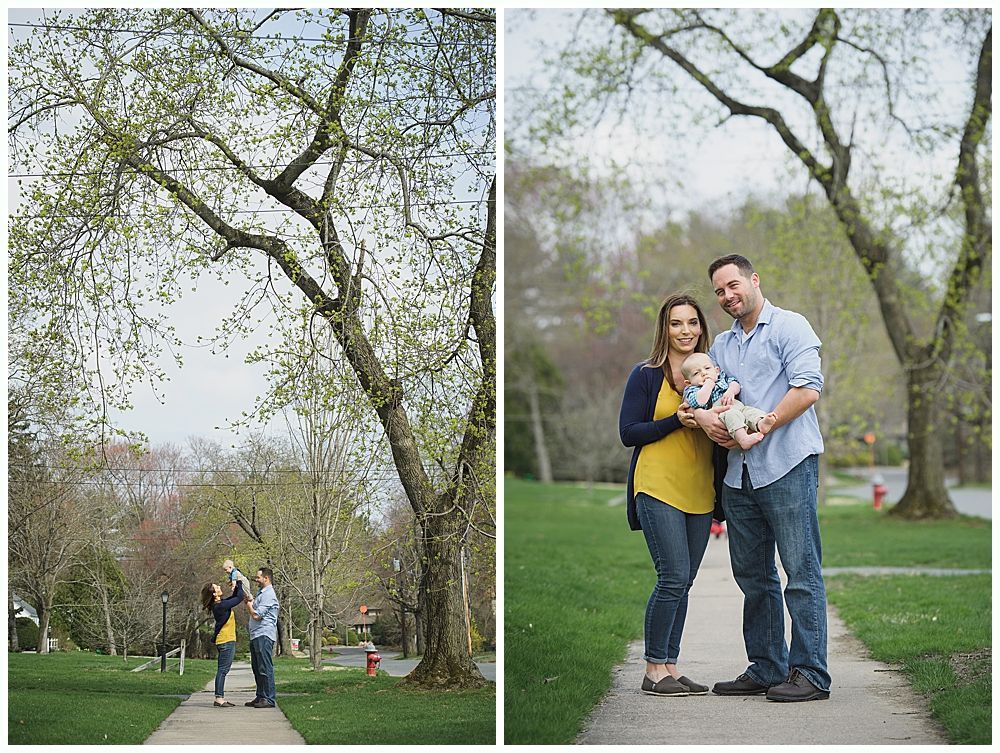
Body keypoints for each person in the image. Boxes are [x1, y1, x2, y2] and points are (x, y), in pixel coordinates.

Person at [688, 254, 829, 702]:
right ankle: (768, 667)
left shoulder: (791, 326)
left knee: (801, 572)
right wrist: (707, 421)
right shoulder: (723, 348)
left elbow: (808, 387)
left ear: (754, 280)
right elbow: (703, 397)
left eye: (734, 285)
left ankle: (810, 673)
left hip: (787, 465)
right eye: (719, 291)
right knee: (753, 576)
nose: (728, 296)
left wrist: (765, 425)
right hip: (739, 477)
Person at [618, 292, 727, 697]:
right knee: (672, 576)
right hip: (658, 485)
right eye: (677, 323)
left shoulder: (716, 376)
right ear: (665, 328)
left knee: (686, 581)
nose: (686, 331)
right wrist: (675, 421)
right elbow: (629, 433)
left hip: (699, 490)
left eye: (693, 323)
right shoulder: (646, 374)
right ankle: (652, 669)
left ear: (702, 327)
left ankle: (670, 666)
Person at [680, 352, 777, 450]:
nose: (704, 373)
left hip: (737, 406)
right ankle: (743, 439)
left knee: (749, 411)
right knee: (732, 415)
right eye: (696, 373)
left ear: (716, 370)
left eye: (707, 368)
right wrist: (708, 384)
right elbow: (700, 401)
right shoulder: (692, 390)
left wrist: (731, 391)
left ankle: (760, 423)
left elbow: (735, 383)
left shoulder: (722, 378)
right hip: (721, 416)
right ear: (688, 382)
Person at [200, 578, 247, 708]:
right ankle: (219, 698)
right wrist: (239, 582)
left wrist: (236, 585)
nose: (219, 587)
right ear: (214, 594)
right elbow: (238, 598)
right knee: (222, 670)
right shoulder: (219, 606)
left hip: (226, 640)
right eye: (217, 587)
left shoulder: (221, 603)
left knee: (223, 670)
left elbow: (234, 596)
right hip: (226, 641)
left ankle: (219, 697)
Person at [246, 567, 280, 708]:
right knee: (256, 667)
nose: (256, 580)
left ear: (266, 578)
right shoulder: (261, 594)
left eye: (258, 577)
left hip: (264, 634)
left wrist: (248, 605)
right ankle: (260, 696)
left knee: (265, 667)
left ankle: (269, 699)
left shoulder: (269, 595)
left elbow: (257, 615)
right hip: (256, 634)